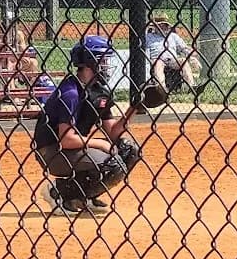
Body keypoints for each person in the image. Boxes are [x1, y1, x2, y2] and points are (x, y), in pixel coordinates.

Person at [34, 35, 141, 215]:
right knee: (112, 163)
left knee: (129, 150)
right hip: (51, 150)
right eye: (103, 59)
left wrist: (135, 107)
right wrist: (100, 143)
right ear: (90, 61)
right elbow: (66, 139)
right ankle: (58, 191)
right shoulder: (70, 93)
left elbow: (113, 132)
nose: (107, 64)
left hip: (73, 147)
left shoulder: (98, 90)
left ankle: (85, 195)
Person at [147, 20, 201, 93]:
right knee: (158, 63)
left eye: (166, 25)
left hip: (172, 59)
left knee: (183, 60)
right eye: (161, 25)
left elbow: (184, 48)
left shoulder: (173, 36)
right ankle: (162, 89)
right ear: (155, 27)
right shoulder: (149, 37)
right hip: (157, 59)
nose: (164, 27)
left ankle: (192, 86)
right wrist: (149, 60)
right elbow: (145, 52)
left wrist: (192, 53)